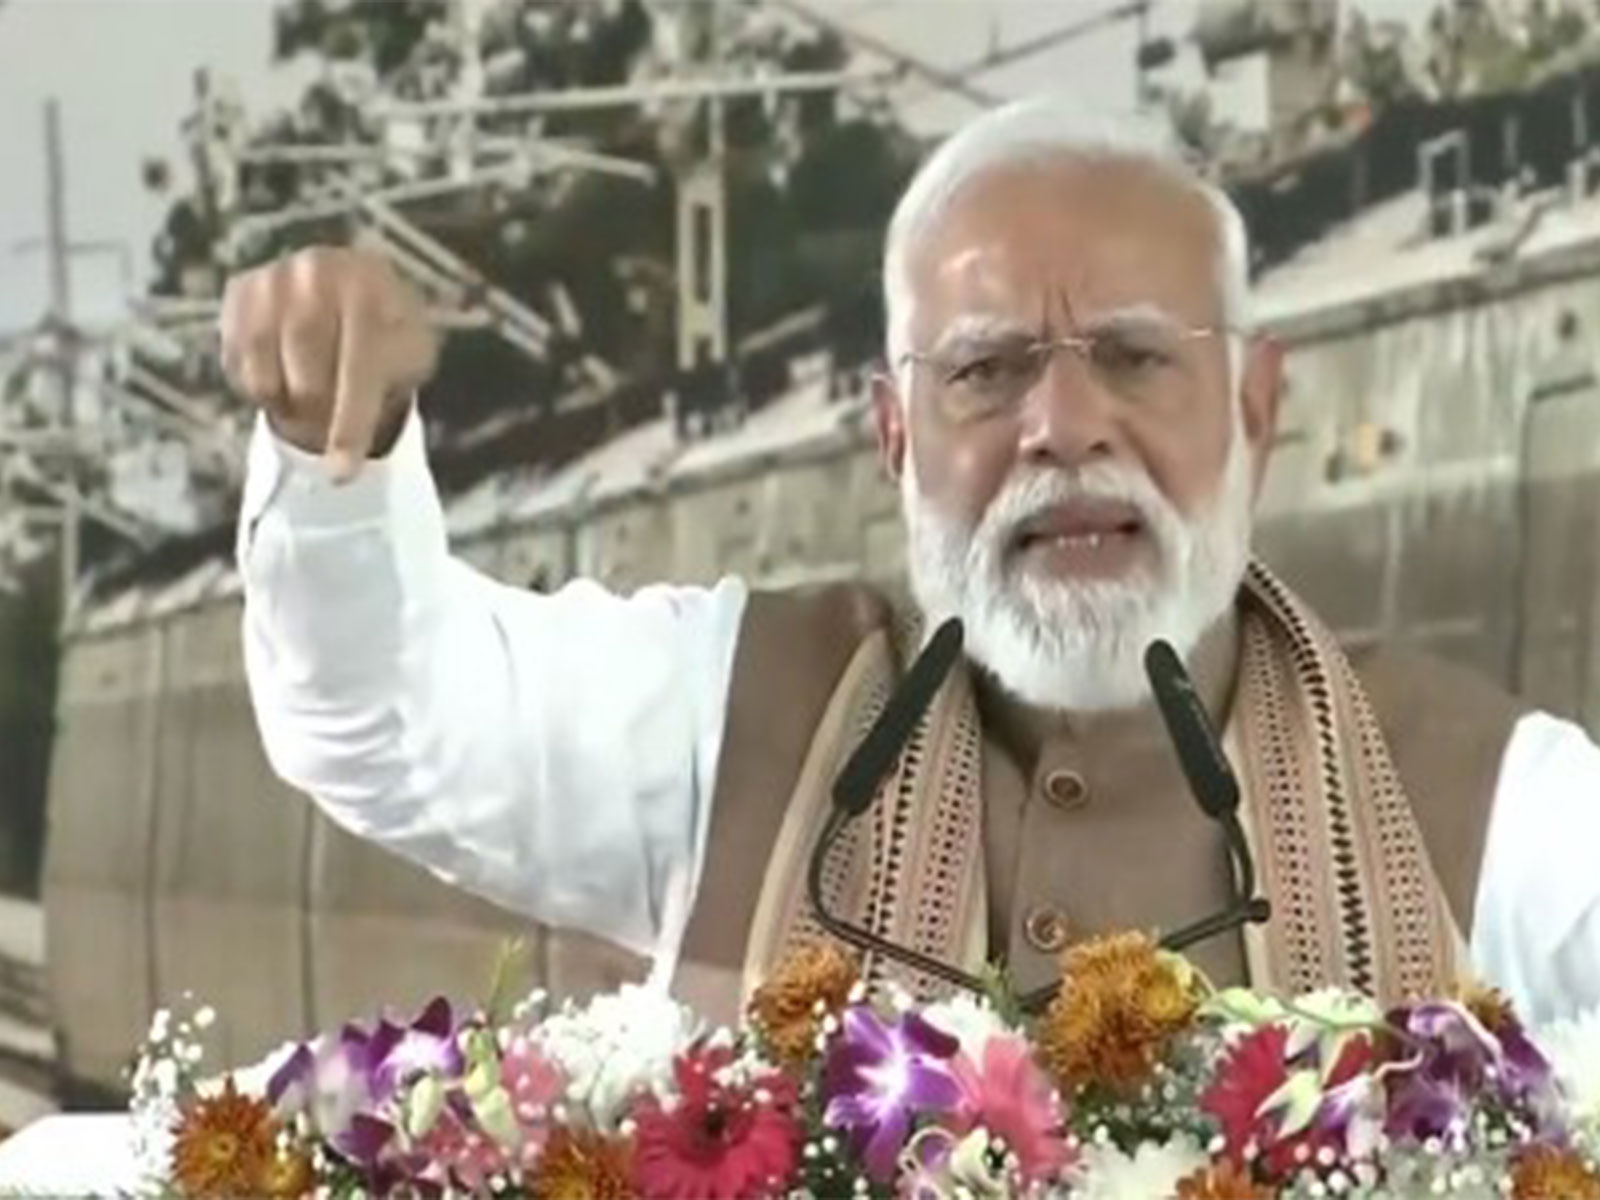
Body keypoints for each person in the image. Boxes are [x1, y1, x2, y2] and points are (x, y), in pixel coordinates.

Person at [223, 100, 1600, 1027]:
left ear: (1254, 408)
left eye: (1132, 356)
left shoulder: (1491, 804)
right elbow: (387, 719)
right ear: (894, 436)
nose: (1062, 430)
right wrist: (335, 443)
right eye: (987, 371)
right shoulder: (735, 713)